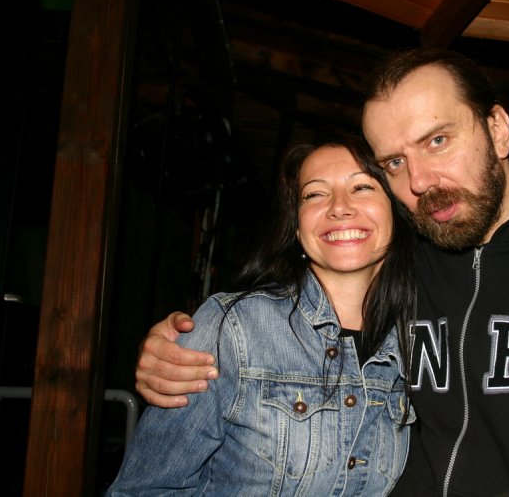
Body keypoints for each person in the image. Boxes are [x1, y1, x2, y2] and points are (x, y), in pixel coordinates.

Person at [134, 48, 509, 496]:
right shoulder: (407, 256)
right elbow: (308, 327)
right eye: (393, 162)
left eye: (438, 141)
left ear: (498, 129)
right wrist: (187, 343)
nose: (421, 182)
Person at [109, 129, 417, 495]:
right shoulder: (232, 328)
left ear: (396, 211)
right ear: (297, 227)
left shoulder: (419, 337)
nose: (339, 206)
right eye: (315, 194)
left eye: (362, 187)